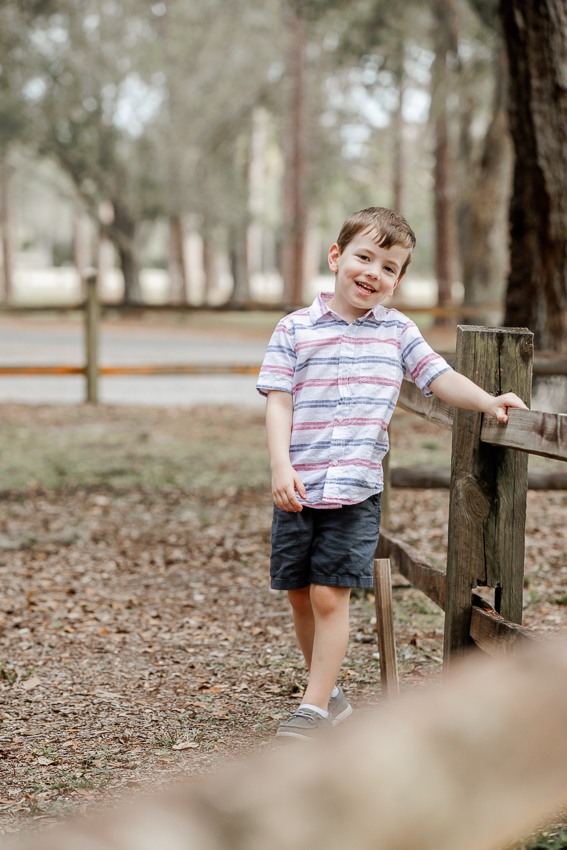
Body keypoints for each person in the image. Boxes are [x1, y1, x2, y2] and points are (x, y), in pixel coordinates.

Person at [256, 206, 527, 741]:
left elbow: (438, 376)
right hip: (299, 483)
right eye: (364, 257)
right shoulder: (295, 329)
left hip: (355, 489)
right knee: (299, 592)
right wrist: (280, 465)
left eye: (388, 267)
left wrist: (487, 400)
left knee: (332, 594)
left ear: (398, 282)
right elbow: (278, 402)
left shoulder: (397, 332)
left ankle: (311, 711)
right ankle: (327, 694)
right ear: (336, 257)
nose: (372, 273)